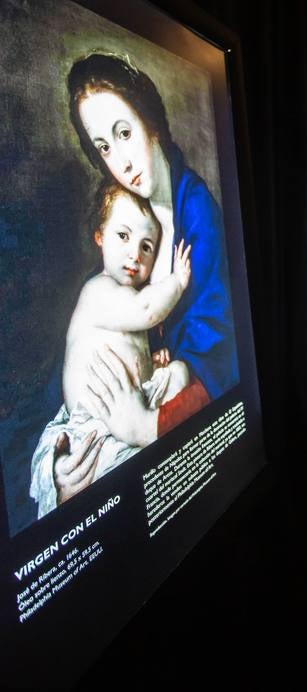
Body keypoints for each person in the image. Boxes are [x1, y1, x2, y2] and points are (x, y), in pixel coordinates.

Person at [49, 52, 239, 506]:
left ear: (150, 121)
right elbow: (92, 330)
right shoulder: (128, 216)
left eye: (124, 132)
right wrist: (63, 462)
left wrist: (153, 415)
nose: (120, 160)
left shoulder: (197, 215)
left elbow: (222, 349)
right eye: (104, 147)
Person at [30, 182, 192, 515]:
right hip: (92, 428)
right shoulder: (98, 291)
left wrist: (151, 363)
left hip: (131, 411)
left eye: (147, 246)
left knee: (178, 372)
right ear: (99, 236)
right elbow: (146, 311)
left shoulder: (124, 296)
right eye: (123, 236)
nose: (136, 254)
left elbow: (132, 348)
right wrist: (176, 282)